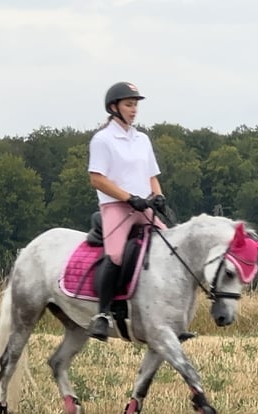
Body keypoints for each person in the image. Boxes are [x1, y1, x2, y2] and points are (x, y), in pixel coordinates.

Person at [86, 81, 167, 341]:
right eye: (129, 105)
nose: (134, 110)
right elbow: (97, 179)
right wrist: (128, 197)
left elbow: (152, 175)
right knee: (118, 255)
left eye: (135, 105)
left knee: (169, 247)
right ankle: (103, 314)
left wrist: (159, 195)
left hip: (143, 204)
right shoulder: (103, 139)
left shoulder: (142, 139)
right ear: (114, 107)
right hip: (116, 207)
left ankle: (164, 315)